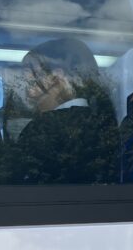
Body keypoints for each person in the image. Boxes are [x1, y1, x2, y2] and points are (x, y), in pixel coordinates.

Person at [11, 38, 122, 184]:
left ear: (56, 76)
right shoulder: (108, 126)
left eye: (28, 70)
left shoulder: (40, 130)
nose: (23, 79)